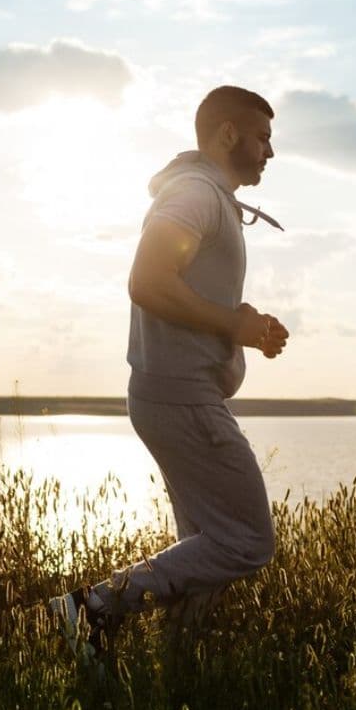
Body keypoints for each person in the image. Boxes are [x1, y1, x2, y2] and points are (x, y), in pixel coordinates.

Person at [51, 85, 289, 655]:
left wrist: (244, 325)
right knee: (248, 541)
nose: (269, 153)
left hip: (177, 392)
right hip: (181, 397)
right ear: (228, 134)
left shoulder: (207, 197)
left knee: (204, 544)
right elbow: (148, 281)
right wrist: (231, 327)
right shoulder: (195, 194)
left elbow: (183, 293)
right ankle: (89, 609)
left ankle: (180, 663)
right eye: (262, 138)